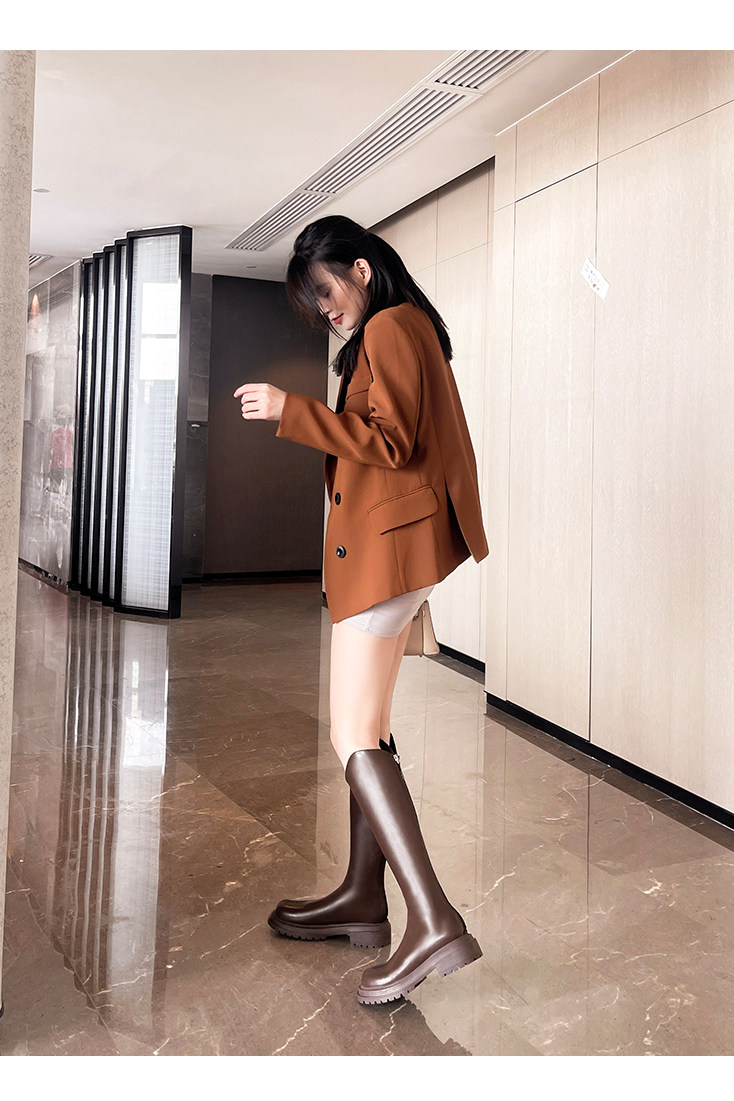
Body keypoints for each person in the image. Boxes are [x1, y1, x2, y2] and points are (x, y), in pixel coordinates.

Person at [234, 215, 489, 1006]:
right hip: (387, 553)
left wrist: (292, 409)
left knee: (351, 733)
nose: (326, 308)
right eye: (314, 300)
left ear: (362, 269)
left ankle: (434, 919)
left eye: (327, 289)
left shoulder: (393, 326)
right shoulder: (397, 327)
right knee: (368, 727)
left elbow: (394, 440)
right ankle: (361, 895)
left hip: (388, 555)